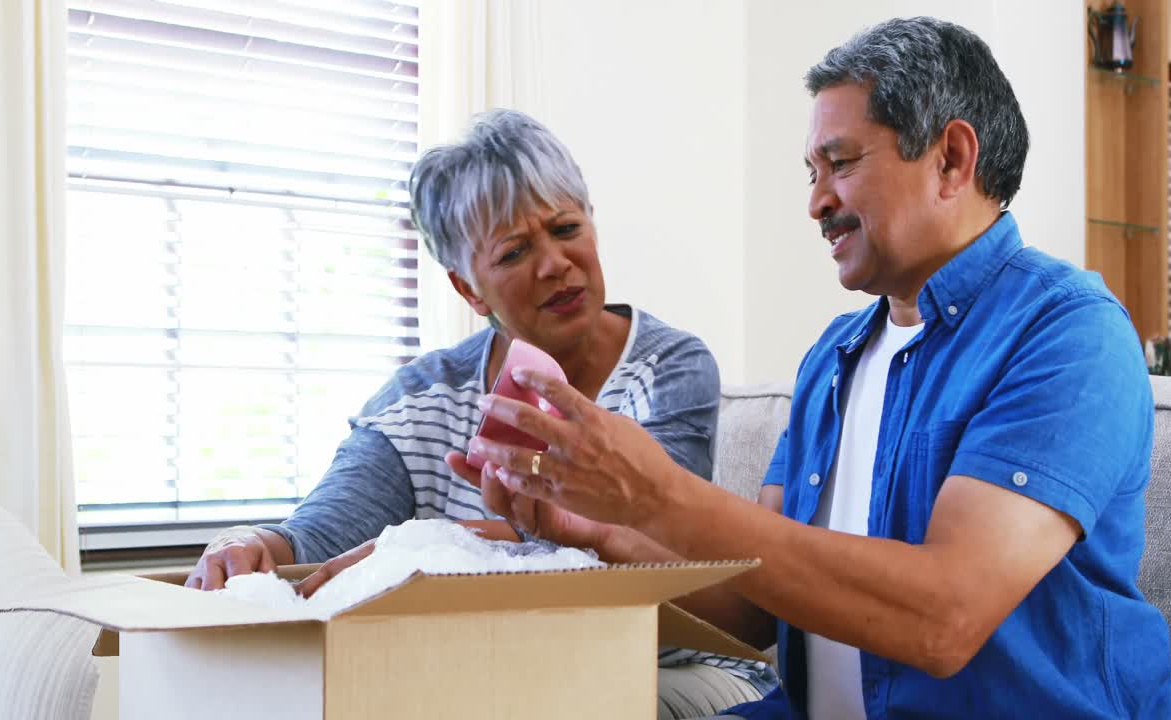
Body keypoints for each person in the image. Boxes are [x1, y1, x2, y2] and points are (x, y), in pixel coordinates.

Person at [450, 18, 1171, 720]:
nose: (815, 202)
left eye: (842, 163)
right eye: (811, 172)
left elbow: (944, 617)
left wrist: (655, 494)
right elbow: (756, 604)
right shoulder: (834, 355)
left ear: (952, 160)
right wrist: (591, 533)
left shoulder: (1067, 332)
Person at [184, 109, 777, 719]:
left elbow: (645, 559)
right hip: (477, 670)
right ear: (469, 290)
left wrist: (435, 548)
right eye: (515, 251)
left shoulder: (668, 367)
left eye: (567, 227)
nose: (554, 263)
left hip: (663, 664)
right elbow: (318, 539)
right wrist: (249, 545)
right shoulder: (420, 399)